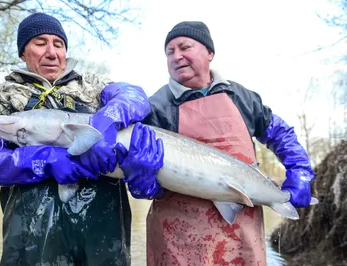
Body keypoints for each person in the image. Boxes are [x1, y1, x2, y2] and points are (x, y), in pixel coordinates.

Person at [0, 12, 153, 266]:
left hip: (104, 242)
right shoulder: (1, 97)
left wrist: (107, 119)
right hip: (31, 243)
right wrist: (44, 160)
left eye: (58, 44)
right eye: (40, 43)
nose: (52, 52)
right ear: (22, 52)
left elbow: (135, 96)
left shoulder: (92, 86)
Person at [115, 21, 316, 265]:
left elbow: (280, 134)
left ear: (209, 53)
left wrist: (300, 170)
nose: (177, 56)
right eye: (170, 52)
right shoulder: (155, 107)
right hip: (177, 238)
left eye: (184, 47)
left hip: (242, 235)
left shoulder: (242, 97)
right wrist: (140, 180)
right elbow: (132, 162)